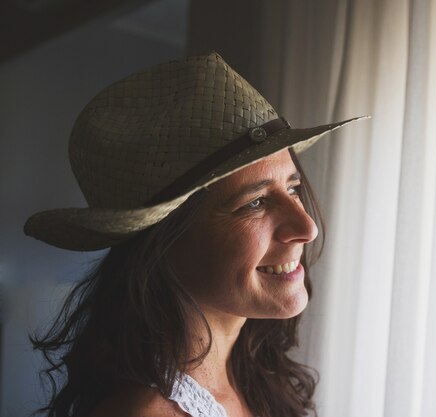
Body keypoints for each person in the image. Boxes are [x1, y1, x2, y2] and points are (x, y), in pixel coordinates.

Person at [24, 53, 366, 417]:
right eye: (256, 203)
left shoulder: (257, 379)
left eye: (294, 189)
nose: (306, 227)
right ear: (163, 242)